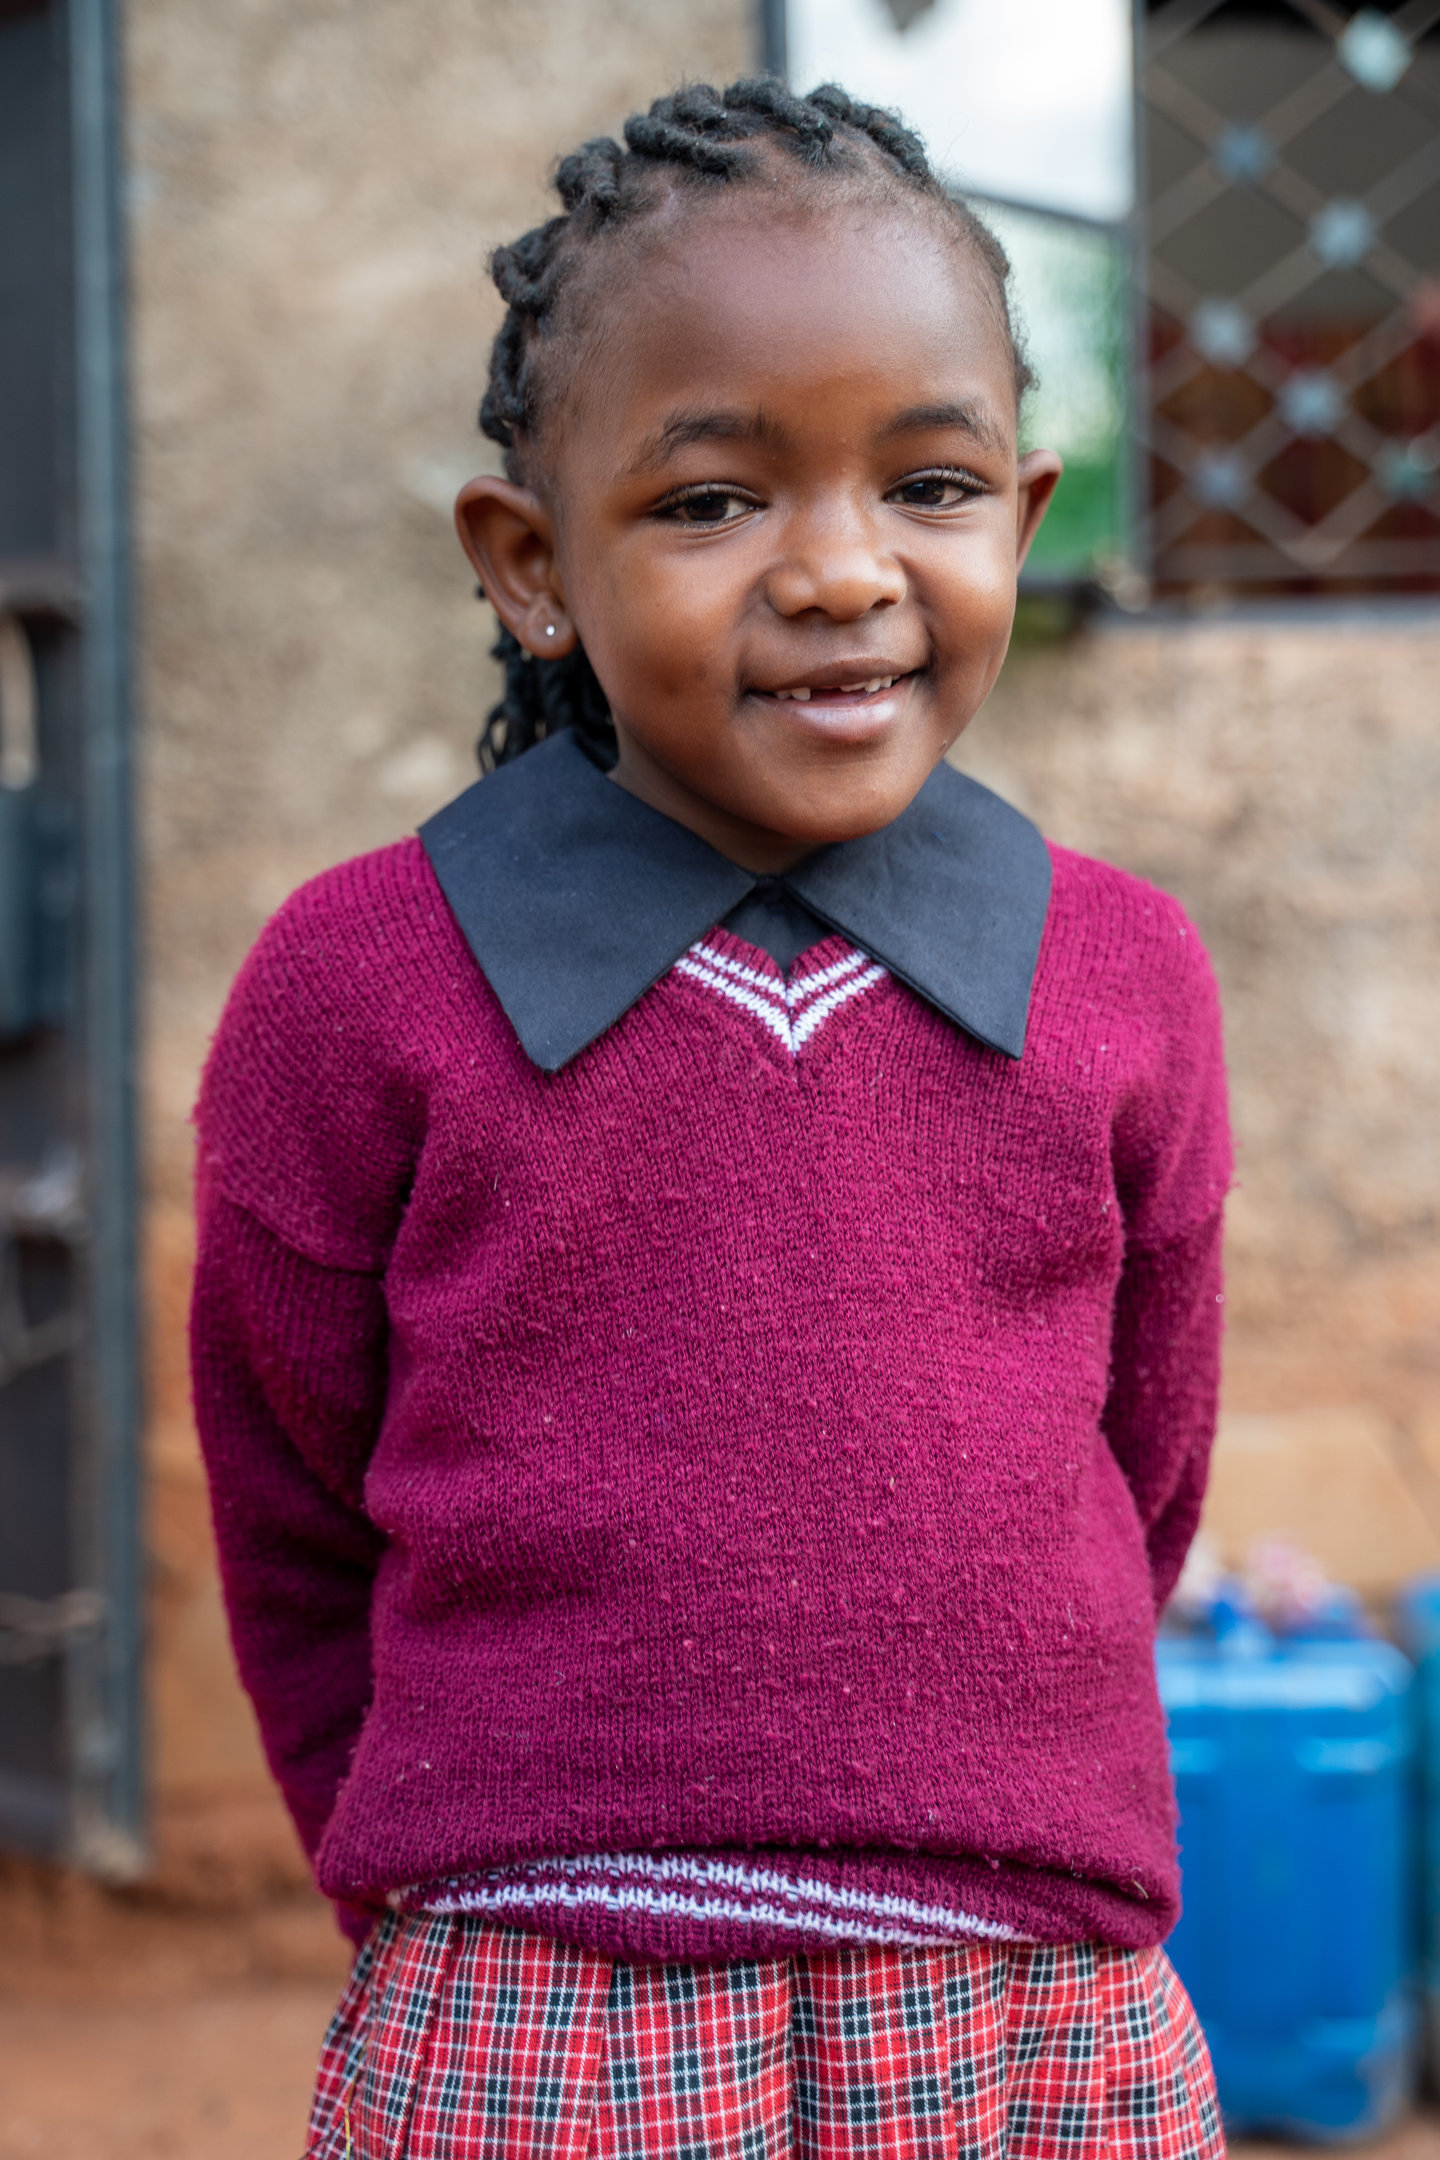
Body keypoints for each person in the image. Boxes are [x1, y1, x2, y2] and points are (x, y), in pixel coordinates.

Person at [191, 77, 1231, 2160]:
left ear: (1022, 522)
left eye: (925, 486)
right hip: (538, 2003)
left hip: (1035, 2000)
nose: (843, 572)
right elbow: (291, 1504)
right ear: (531, 566)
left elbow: (1146, 1465)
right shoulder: (360, 984)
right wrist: (428, 1890)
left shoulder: (1120, 976)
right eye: (710, 503)